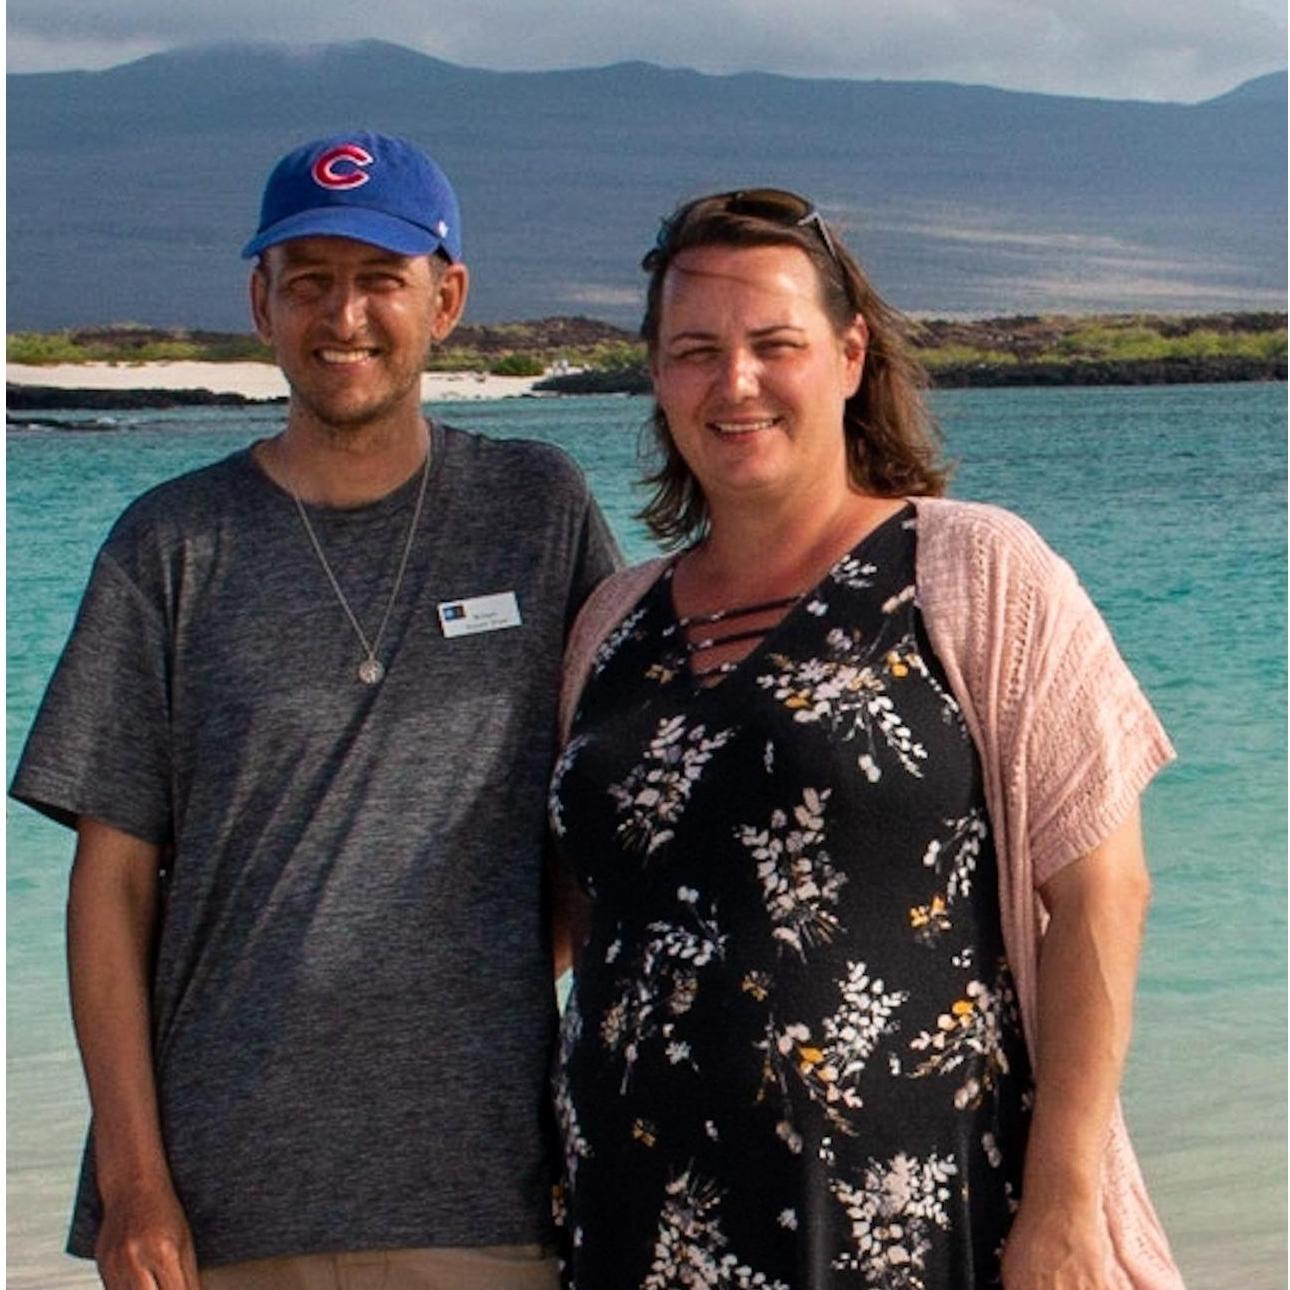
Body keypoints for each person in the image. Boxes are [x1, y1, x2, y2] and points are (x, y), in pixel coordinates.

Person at [10, 131, 619, 1290]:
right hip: (221, 1204)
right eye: (310, 283)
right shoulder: (170, 544)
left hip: (487, 1190)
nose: (345, 317)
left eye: (381, 280)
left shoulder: (536, 510)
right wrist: (137, 1188)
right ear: (261, 304)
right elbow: (111, 885)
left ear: (447, 300)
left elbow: (609, 808)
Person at [548, 189, 1185, 1288]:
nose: (735, 382)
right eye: (695, 349)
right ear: (655, 375)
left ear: (849, 355)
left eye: (774, 345)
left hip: (911, 1224)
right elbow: (578, 918)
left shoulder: (974, 571)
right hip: (635, 1221)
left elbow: (1102, 890)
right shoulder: (613, 622)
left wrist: (1066, 1204)